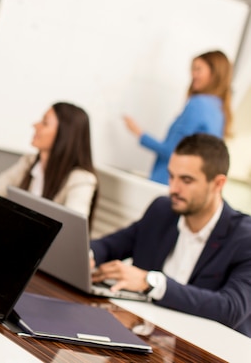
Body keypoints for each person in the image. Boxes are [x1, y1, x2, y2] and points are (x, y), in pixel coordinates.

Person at [90, 133, 251, 337]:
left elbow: (231, 308)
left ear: (218, 184)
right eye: (171, 176)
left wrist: (152, 283)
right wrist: (88, 254)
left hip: (206, 348)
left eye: (186, 180)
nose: (173, 188)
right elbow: (112, 245)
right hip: (148, 335)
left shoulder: (244, 237)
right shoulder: (162, 210)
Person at [123, 50, 232, 185]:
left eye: (198, 69)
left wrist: (139, 134)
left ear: (214, 73)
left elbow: (173, 151)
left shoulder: (198, 104)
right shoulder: (219, 108)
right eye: (193, 69)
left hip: (167, 181)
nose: (193, 75)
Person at [0, 101, 98, 223]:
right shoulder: (29, 162)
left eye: (45, 123)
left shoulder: (81, 179)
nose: (35, 125)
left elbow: (73, 229)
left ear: (64, 134)